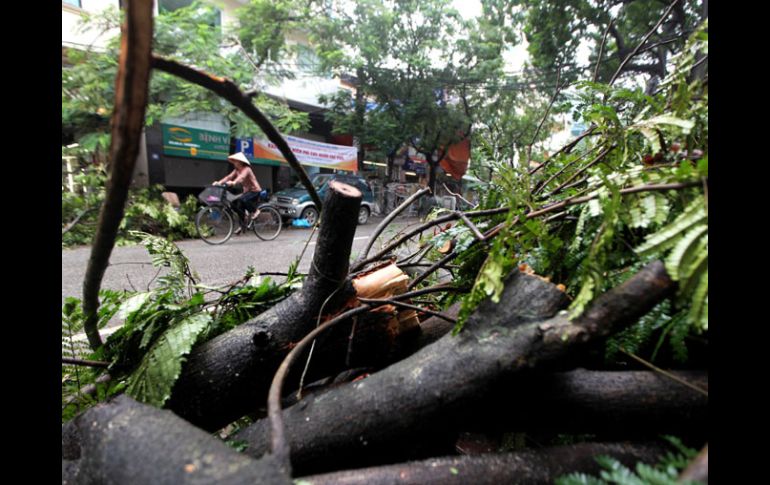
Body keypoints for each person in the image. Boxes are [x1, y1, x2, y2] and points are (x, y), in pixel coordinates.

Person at [214, 152, 264, 225]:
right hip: (247, 192)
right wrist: (219, 182)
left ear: (240, 162)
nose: (234, 162)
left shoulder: (247, 169)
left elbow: (242, 177)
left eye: (235, 161)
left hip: (255, 191)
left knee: (243, 199)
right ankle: (243, 223)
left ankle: (256, 211)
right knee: (236, 203)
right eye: (233, 161)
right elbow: (229, 177)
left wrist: (234, 182)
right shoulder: (236, 170)